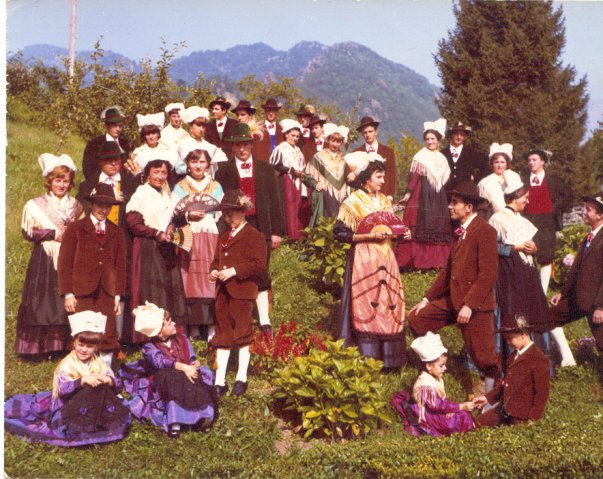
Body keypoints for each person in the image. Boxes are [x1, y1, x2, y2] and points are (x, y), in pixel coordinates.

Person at [408, 181, 501, 394]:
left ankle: (492, 398)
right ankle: (434, 368)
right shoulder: (460, 231)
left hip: (475, 306)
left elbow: (488, 275)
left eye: (454, 202)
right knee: (418, 318)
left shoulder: (485, 231)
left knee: (484, 357)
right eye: (450, 202)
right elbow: (448, 272)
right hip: (453, 301)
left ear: (468, 207)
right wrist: (426, 300)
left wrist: (469, 305)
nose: (450, 206)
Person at [5, 311, 130, 446]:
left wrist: (108, 380)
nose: (84, 350)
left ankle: (98, 419)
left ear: (97, 347)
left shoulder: (99, 362)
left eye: (89, 346)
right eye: (81, 345)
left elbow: (117, 386)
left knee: (112, 405)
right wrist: (81, 381)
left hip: (94, 403)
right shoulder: (67, 365)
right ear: (74, 343)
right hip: (70, 404)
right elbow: (62, 390)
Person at [335, 152, 408, 368]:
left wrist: (402, 234)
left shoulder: (385, 201)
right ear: (367, 178)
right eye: (379, 176)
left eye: (383, 177)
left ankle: (389, 359)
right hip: (364, 259)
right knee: (366, 303)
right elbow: (340, 233)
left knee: (389, 302)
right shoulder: (353, 202)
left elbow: (392, 228)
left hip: (386, 258)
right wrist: (368, 236)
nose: (383, 181)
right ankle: (368, 357)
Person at [215, 123, 286, 334]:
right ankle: (237, 316)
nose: (242, 149)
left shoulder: (265, 169)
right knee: (236, 268)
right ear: (232, 147)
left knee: (260, 269)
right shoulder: (223, 171)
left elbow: (275, 200)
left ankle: (264, 320)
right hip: (235, 226)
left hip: (261, 226)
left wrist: (276, 232)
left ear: (251, 145)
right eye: (238, 145)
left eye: (245, 144)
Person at [15, 154, 84, 356]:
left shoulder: (76, 206)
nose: (62, 185)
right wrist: (52, 234)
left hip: (68, 257)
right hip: (45, 258)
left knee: (63, 300)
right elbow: (28, 232)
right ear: (49, 181)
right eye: (57, 181)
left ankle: (61, 345)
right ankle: (39, 347)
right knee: (42, 301)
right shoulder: (35, 205)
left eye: (66, 181)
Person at [119, 303, 216, 439]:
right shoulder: (149, 347)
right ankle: (175, 422)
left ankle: (201, 416)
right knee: (171, 379)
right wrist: (183, 367)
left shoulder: (182, 339)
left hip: (185, 372)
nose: (174, 323)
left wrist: (193, 363)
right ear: (159, 332)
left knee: (194, 381)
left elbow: (190, 355)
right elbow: (161, 362)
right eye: (169, 323)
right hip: (164, 379)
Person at [58, 184, 126, 368]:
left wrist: (117, 295)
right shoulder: (76, 228)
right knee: (84, 329)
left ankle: (104, 370)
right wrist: (68, 293)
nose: (103, 210)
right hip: (82, 289)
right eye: (99, 205)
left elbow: (120, 266)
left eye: (108, 206)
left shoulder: (117, 232)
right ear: (91, 204)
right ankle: (82, 371)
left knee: (108, 331)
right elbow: (64, 263)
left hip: (107, 290)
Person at [489, 175, 554, 369]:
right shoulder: (497, 218)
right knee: (514, 312)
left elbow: (530, 248)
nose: (527, 201)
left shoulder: (522, 220)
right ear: (515, 197)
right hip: (509, 274)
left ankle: (537, 361)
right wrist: (515, 248)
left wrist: (533, 249)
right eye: (525, 197)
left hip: (527, 273)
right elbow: (491, 247)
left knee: (532, 312)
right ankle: (513, 363)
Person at [209, 190, 268, 397]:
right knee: (223, 333)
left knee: (243, 333)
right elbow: (216, 261)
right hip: (223, 292)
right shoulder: (224, 236)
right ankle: (220, 381)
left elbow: (259, 265)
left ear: (243, 212)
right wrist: (214, 270)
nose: (227, 219)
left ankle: (241, 378)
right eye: (225, 215)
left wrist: (234, 271)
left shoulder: (255, 235)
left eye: (231, 214)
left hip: (243, 291)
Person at [125, 157, 187, 344]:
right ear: (147, 175)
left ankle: (168, 333)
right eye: (156, 172)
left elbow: (175, 219)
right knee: (152, 289)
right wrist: (155, 233)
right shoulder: (141, 194)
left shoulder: (167, 195)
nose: (160, 177)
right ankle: (149, 335)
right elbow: (133, 224)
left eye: (163, 173)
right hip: (148, 247)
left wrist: (171, 227)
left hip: (166, 247)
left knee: (168, 287)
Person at [522, 148, 575, 365]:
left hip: (547, 224)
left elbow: (568, 195)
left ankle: (542, 290)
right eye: (529, 160)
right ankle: (530, 285)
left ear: (543, 162)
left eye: (534, 159)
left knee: (545, 257)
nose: (531, 163)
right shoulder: (524, 179)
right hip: (529, 222)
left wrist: (555, 209)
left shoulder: (552, 180)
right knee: (529, 254)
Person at [172, 148, 224, 340]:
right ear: (187, 164)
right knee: (190, 278)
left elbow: (222, 213)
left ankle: (211, 325)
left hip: (210, 236)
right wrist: (188, 215)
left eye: (202, 162)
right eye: (194, 162)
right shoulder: (180, 187)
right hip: (188, 236)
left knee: (209, 276)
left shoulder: (215, 186)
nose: (198, 166)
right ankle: (193, 325)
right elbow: (173, 214)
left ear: (208, 165)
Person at [392, 332, 476, 437]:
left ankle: (467, 433)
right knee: (462, 415)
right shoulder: (424, 384)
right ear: (429, 366)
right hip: (429, 417)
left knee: (463, 413)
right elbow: (437, 405)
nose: (445, 368)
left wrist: (452, 409)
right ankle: (466, 435)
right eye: (441, 365)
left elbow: (442, 402)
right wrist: (460, 406)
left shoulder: (435, 379)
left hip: (436, 412)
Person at [550, 191, 603, 355]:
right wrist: (563, 293)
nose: (584, 212)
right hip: (579, 298)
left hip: (596, 303)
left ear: (600, 215)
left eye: (588, 210)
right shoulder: (589, 237)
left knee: (602, 342)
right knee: (549, 318)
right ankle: (562, 358)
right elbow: (576, 269)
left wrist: (601, 306)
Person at [474, 314, 550, 426]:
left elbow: (542, 393)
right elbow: (504, 385)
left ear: (523, 335)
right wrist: (487, 398)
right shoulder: (512, 357)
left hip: (521, 415)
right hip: (504, 410)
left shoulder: (538, 359)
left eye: (510, 338)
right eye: (506, 339)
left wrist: (534, 418)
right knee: (477, 423)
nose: (508, 342)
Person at [397, 118, 452, 270]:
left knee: (436, 224)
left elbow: (444, 179)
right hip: (422, 194)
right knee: (419, 222)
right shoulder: (420, 156)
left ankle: (436, 261)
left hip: (438, 196)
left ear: (438, 140)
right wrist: (408, 194)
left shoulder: (442, 158)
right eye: (427, 139)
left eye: (432, 139)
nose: (430, 142)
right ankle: (419, 261)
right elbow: (414, 177)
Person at [302, 122, 351, 227]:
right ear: (328, 139)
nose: (335, 144)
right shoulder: (319, 157)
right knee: (325, 226)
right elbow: (305, 176)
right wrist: (315, 184)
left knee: (339, 225)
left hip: (340, 198)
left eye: (338, 141)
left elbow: (348, 179)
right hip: (324, 197)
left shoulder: (344, 160)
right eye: (333, 140)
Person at [270, 119, 309, 239]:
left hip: (299, 182)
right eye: (293, 135)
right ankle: (290, 236)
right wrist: (290, 171)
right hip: (287, 181)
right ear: (286, 134)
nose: (295, 138)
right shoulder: (280, 149)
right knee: (289, 208)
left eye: (297, 136)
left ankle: (298, 236)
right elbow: (274, 165)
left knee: (298, 209)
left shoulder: (298, 150)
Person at [175, 106, 228, 178]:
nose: (201, 129)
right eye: (198, 125)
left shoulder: (209, 146)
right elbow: (178, 169)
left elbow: (222, 161)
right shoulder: (183, 144)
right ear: (190, 125)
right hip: (189, 180)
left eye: (203, 126)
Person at [82, 106, 130, 180]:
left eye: (120, 126)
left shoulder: (124, 144)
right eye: (114, 125)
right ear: (107, 126)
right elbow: (88, 169)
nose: (118, 129)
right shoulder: (95, 144)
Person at [125, 112, 178, 177]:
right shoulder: (138, 152)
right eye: (148, 134)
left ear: (158, 134)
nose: (151, 137)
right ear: (144, 136)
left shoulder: (167, 150)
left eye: (153, 133)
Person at [478, 143, 521, 216]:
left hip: (515, 215)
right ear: (492, 164)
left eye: (502, 162)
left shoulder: (514, 177)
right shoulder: (485, 182)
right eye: (496, 162)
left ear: (507, 164)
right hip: (495, 217)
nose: (499, 165)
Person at [441, 121, 483, 191]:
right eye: (456, 134)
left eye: (462, 135)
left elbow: (484, 169)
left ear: (465, 137)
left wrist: (474, 179)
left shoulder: (472, 153)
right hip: (445, 192)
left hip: (464, 193)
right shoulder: (442, 153)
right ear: (452, 135)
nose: (459, 137)